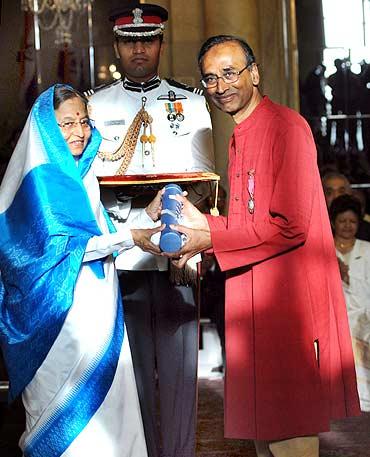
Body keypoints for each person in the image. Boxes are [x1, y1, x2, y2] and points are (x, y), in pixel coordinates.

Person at [165, 35, 361, 457]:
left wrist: (211, 236)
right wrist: (199, 226)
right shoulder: (241, 134)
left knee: (288, 427)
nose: (221, 86)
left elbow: (290, 225)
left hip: (286, 303)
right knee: (263, 430)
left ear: (254, 73)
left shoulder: (286, 127)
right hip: (252, 297)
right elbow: (247, 221)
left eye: (230, 73)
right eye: (211, 78)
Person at [0, 84, 164, 456]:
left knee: (113, 413)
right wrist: (131, 237)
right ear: (45, 129)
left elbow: (100, 232)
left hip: (100, 312)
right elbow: (64, 250)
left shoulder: (81, 173)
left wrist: (143, 220)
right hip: (59, 324)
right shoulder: (41, 181)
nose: (79, 131)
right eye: (67, 123)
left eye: (84, 122)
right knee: (65, 417)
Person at [86, 3, 214, 457]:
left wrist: (188, 248)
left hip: (176, 256)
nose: (138, 49)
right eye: (129, 40)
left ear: (160, 43)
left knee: (181, 377)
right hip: (123, 256)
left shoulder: (192, 100)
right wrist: (135, 221)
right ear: (116, 46)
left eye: (148, 39)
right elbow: (91, 188)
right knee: (131, 376)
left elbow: (204, 183)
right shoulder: (95, 105)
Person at [330, 194, 370, 412]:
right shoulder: (325, 249)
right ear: (334, 221)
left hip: (364, 318)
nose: (347, 226)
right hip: (334, 317)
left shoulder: (367, 250)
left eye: (352, 221)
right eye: (342, 221)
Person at [321, 171, 370, 241]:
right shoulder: (314, 228)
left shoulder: (365, 230)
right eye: (329, 193)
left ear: (350, 194)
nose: (336, 196)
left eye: (341, 191)